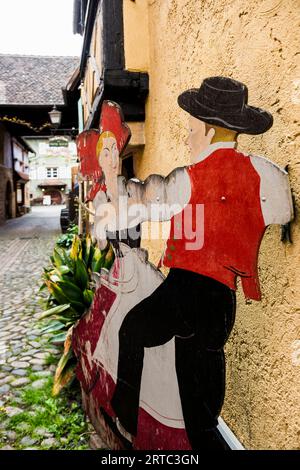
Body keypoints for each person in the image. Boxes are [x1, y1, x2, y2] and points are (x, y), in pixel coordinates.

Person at [104, 76, 294, 450]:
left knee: (132, 330)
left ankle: (125, 418)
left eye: (192, 130)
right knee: (201, 401)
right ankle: (203, 437)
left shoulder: (185, 180)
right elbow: (284, 212)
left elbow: (138, 204)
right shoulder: (265, 174)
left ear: (207, 131)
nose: (188, 138)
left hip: (186, 288)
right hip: (223, 297)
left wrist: (112, 175)